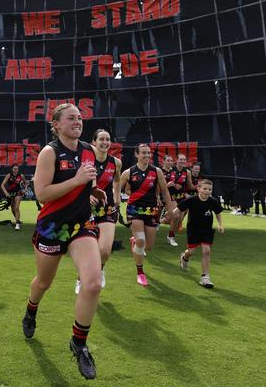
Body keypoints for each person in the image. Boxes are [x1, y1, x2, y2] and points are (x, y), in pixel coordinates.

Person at [21, 103, 105, 380]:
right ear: (55, 124)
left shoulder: (88, 150)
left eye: (80, 118)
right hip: (52, 227)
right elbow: (42, 194)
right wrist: (78, 180)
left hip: (82, 224)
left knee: (92, 283)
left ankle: (78, 343)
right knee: (43, 282)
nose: (78, 122)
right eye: (71, 118)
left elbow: (85, 184)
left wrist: (94, 192)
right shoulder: (49, 152)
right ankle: (31, 311)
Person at [119, 143, 173, 287]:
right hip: (134, 209)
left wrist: (170, 209)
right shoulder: (128, 173)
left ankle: (134, 242)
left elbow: (165, 191)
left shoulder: (157, 172)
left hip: (152, 211)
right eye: (143, 153)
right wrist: (114, 204)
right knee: (141, 241)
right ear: (137, 154)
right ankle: (140, 272)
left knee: (148, 247)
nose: (147, 155)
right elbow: (116, 188)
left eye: (149, 153)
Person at [75, 129, 121, 293]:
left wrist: (117, 197)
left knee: (105, 250)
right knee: (88, 250)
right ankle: (81, 277)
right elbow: (78, 183)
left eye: (108, 139)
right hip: (86, 209)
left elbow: (117, 181)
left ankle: (100, 270)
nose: (105, 142)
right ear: (94, 142)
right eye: (101, 139)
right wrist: (87, 196)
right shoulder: (86, 160)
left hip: (107, 209)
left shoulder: (116, 162)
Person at [177, 179, 224, 288]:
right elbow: (178, 209)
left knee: (206, 250)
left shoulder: (213, 201)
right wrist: (173, 216)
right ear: (198, 189)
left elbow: (218, 213)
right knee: (191, 252)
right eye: (204, 189)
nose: (207, 191)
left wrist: (220, 224)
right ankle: (184, 257)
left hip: (206, 230)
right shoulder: (191, 200)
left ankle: (205, 277)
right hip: (193, 230)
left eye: (209, 189)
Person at [167, 153, 195, 244]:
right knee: (176, 216)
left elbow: (190, 186)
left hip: (181, 197)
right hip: (171, 196)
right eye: (181, 159)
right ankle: (170, 237)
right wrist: (173, 185)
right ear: (177, 160)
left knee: (179, 219)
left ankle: (170, 232)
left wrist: (199, 187)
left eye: (184, 160)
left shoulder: (187, 172)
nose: (182, 161)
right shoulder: (170, 170)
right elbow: (164, 183)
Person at [159, 154, 180, 246]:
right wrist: (167, 185)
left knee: (176, 215)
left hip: (170, 197)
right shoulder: (159, 171)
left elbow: (175, 184)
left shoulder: (174, 171)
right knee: (152, 218)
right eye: (168, 160)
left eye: (171, 161)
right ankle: (157, 221)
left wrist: (176, 185)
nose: (170, 162)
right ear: (163, 161)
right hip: (159, 196)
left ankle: (171, 237)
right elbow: (155, 186)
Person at [0, 164, 27, 230]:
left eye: (17, 169)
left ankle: (17, 224)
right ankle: (18, 220)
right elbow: (2, 185)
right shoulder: (9, 175)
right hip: (11, 193)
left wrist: (25, 189)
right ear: (12, 169)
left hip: (18, 192)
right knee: (13, 209)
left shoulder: (21, 175)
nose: (16, 170)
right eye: (14, 169)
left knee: (16, 207)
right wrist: (6, 193)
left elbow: (25, 182)